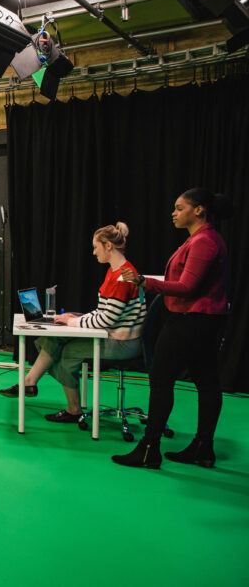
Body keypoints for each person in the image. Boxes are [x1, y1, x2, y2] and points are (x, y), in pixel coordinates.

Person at [113, 189, 232, 469]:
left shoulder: (204, 241)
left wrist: (144, 281)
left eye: (180, 208)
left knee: (161, 378)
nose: (173, 213)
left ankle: (149, 449)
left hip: (191, 321)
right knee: (206, 380)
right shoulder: (202, 239)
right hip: (203, 321)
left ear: (199, 210)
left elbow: (188, 287)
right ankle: (203, 447)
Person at [0, 223, 147, 423]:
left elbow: (107, 319)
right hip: (113, 334)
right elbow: (103, 312)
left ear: (109, 246)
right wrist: (73, 319)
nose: (94, 252)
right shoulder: (116, 271)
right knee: (56, 335)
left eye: (96, 247)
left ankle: (73, 409)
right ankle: (29, 382)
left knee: (66, 353)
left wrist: (74, 322)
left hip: (122, 342)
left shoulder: (122, 276)